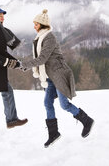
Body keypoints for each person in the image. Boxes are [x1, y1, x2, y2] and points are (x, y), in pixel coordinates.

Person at [20, 9, 94, 148]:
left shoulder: (49, 38)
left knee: (64, 105)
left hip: (59, 75)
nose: (34, 26)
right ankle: (53, 133)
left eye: (36, 24)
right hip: (50, 77)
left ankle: (87, 120)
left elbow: (42, 58)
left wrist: (24, 65)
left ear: (42, 25)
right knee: (47, 103)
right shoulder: (39, 38)